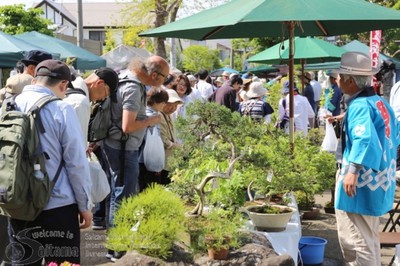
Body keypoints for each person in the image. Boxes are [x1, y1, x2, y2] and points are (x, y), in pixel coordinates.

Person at [7, 59, 92, 265]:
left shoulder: (8, 104)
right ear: (63, 85)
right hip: (57, 205)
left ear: (35, 79)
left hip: (18, 202)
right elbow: (76, 162)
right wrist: (85, 205)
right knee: (63, 262)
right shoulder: (62, 109)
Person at [333, 51, 398, 266]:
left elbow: (364, 139)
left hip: (361, 180)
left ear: (350, 80)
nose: (337, 79)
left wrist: (352, 171)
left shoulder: (360, 106)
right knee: (368, 238)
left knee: (357, 241)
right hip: (380, 178)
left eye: (340, 76)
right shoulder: (379, 102)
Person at [104, 55, 168, 262]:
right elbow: (127, 126)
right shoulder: (133, 87)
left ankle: (115, 245)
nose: (163, 82)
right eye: (164, 78)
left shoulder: (126, 79)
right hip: (123, 149)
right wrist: (152, 120)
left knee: (118, 194)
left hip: (118, 146)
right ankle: (117, 248)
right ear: (155, 74)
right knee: (123, 196)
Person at [139, 87, 169, 192]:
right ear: (156, 101)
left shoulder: (149, 113)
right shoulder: (151, 116)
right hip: (146, 159)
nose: (165, 104)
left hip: (143, 159)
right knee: (148, 189)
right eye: (163, 102)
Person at [159, 89, 183, 185]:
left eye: (175, 106)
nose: (173, 108)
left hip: (169, 160)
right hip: (162, 161)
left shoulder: (169, 115)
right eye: (170, 105)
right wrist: (177, 146)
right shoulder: (159, 116)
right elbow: (164, 141)